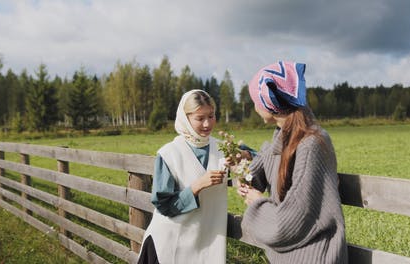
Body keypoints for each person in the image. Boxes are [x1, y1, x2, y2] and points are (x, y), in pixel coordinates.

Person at [237, 61, 348, 263]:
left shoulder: (311, 144)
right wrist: (244, 172)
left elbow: (291, 222)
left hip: (314, 258)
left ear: (269, 103)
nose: (254, 106)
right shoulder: (283, 137)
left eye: (255, 100)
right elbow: (265, 164)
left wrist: (256, 203)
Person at [138, 90, 227, 264]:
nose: (207, 124)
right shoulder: (169, 154)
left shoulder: (223, 148)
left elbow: (254, 160)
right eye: (200, 118)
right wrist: (197, 186)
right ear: (185, 119)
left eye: (211, 116)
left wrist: (244, 158)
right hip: (169, 244)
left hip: (206, 246)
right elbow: (164, 205)